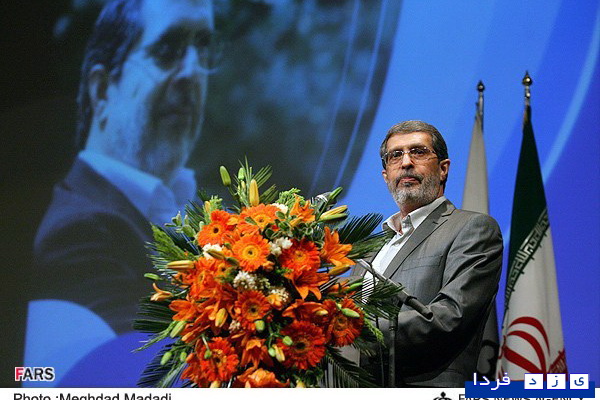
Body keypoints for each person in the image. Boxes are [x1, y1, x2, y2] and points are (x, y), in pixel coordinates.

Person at [33, 0, 216, 334]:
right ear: (102, 90)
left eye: (202, 47)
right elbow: (147, 365)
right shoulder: (77, 234)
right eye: (167, 49)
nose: (193, 73)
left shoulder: (199, 207)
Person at [362, 120, 503, 387]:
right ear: (386, 175)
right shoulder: (370, 249)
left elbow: (450, 316)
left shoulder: (472, 229)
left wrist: (353, 333)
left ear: (443, 169)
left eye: (418, 152)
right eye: (395, 155)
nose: (406, 162)